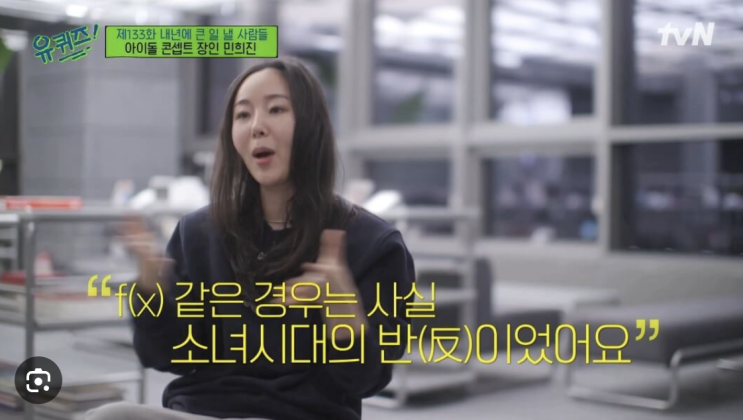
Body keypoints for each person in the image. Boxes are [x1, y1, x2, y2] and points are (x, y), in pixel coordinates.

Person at [86, 57, 415, 420]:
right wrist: (153, 294)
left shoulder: (373, 243)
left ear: (311, 125)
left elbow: (365, 381)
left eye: (276, 109)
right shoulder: (198, 232)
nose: (257, 126)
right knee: (110, 416)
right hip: (202, 412)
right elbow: (169, 357)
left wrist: (342, 312)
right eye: (243, 115)